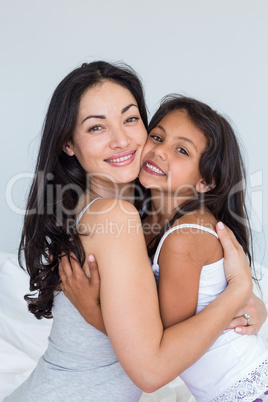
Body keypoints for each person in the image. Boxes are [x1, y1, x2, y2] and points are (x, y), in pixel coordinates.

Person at [5, 61, 264, 402]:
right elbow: (151, 368)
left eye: (130, 119)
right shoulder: (114, 214)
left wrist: (251, 303)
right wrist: (238, 290)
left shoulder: (136, 206)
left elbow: (175, 298)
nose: (122, 140)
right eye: (96, 128)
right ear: (69, 143)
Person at [61, 94, 268, 401]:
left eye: (181, 150)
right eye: (157, 136)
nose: (159, 151)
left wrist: (94, 311)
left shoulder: (184, 237)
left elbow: (159, 348)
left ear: (206, 182)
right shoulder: (146, 221)